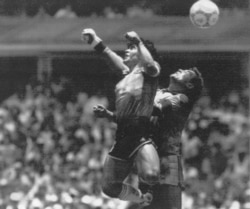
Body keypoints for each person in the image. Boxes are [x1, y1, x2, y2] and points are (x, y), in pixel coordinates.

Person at [94, 67, 204, 209]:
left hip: (167, 161)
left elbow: (156, 108)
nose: (180, 69)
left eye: (185, 73)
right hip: (148, 159)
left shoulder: (182, 98)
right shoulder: (158, 93)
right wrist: (109, 115)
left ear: (189, 85)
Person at [81, 28, 161, 206]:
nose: (126, 50)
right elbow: (109, 55)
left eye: (131, 48)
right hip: (122, 135)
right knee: (108, 187)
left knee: (151, 175)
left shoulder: (150, 71)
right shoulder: (127, 75)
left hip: (141, 134)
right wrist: (95, 41)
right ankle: (141, 198)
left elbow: (148, 64)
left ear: (141, 53)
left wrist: (139, 42)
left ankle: (155, 174)